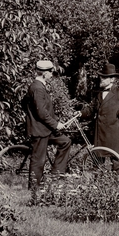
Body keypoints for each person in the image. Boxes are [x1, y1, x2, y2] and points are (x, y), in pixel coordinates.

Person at [23, 59, 73, 199]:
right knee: (38, 160)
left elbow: (40, 109)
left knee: (65, 142)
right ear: (44, 73)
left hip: (46, 128)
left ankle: (54, 177)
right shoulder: (37, 88)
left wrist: (56, 122)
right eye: (51, 72)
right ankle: (34, 190)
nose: (52, 74)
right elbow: (41, 113)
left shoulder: (40, 86)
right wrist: (55, 124)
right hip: (40, 130)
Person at [78, 62, 119, 160]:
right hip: (100, 132)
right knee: (98, 162)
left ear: (112, 79)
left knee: (116, 161)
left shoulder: (118, 92)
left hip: (113, 133)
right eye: (101, 76)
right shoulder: (98, 94)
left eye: (104, 77)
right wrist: (80, 113)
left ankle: (117, 171)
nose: (101, 79)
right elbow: (90, 109)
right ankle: (99, 170)